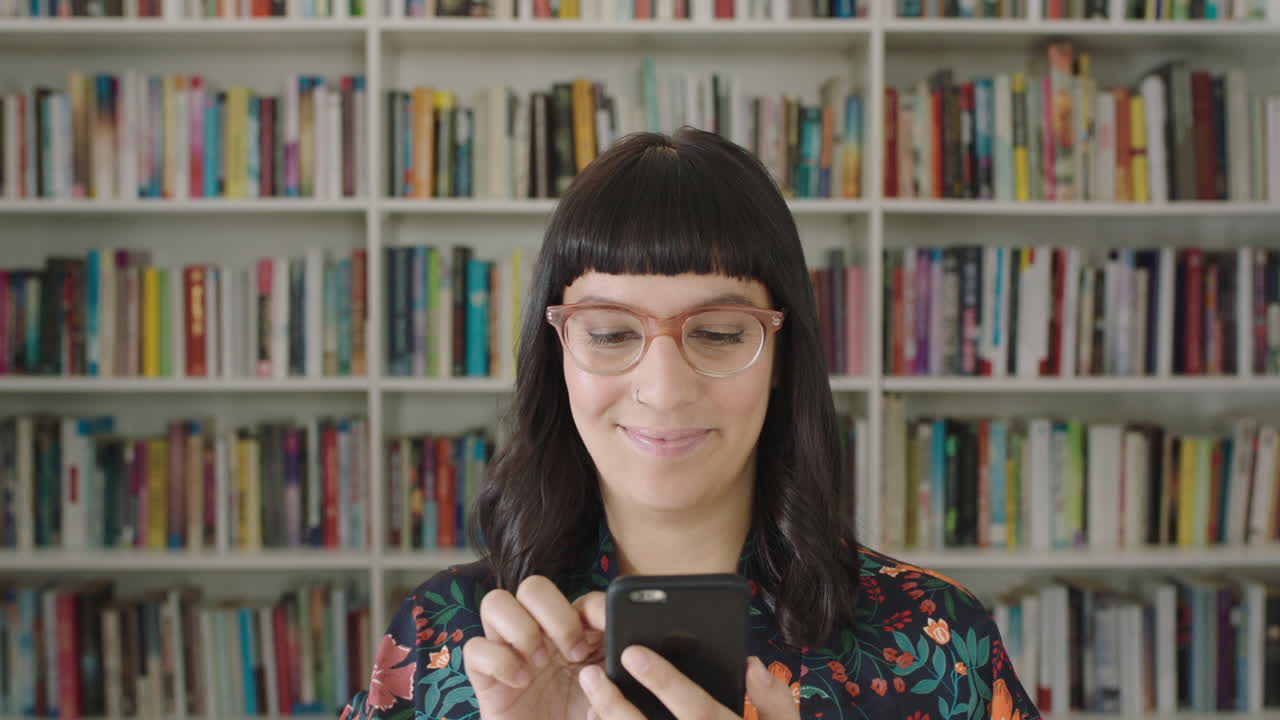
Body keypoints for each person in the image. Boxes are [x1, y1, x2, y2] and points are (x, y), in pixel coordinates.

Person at [342, 127, 1040, 720]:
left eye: (718, 332)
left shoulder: (938, 640)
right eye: (612, 333)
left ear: (780, 358)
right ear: (557, 357)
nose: (665, 389)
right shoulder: (445, 634)